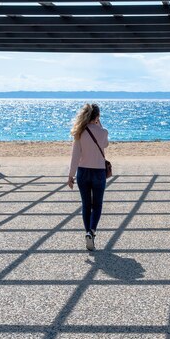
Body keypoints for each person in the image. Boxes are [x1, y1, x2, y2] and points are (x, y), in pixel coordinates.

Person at [67, 103, 109, 251]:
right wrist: (99, 124)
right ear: (97, 117)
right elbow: (105, 144)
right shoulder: (103, 132)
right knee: (97, 205)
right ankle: (92, 231)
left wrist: (70, 175)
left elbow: (75, 156)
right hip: (98, 172)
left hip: (83, 172)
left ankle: (87, 234)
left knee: (86, 205)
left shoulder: (79, 132)